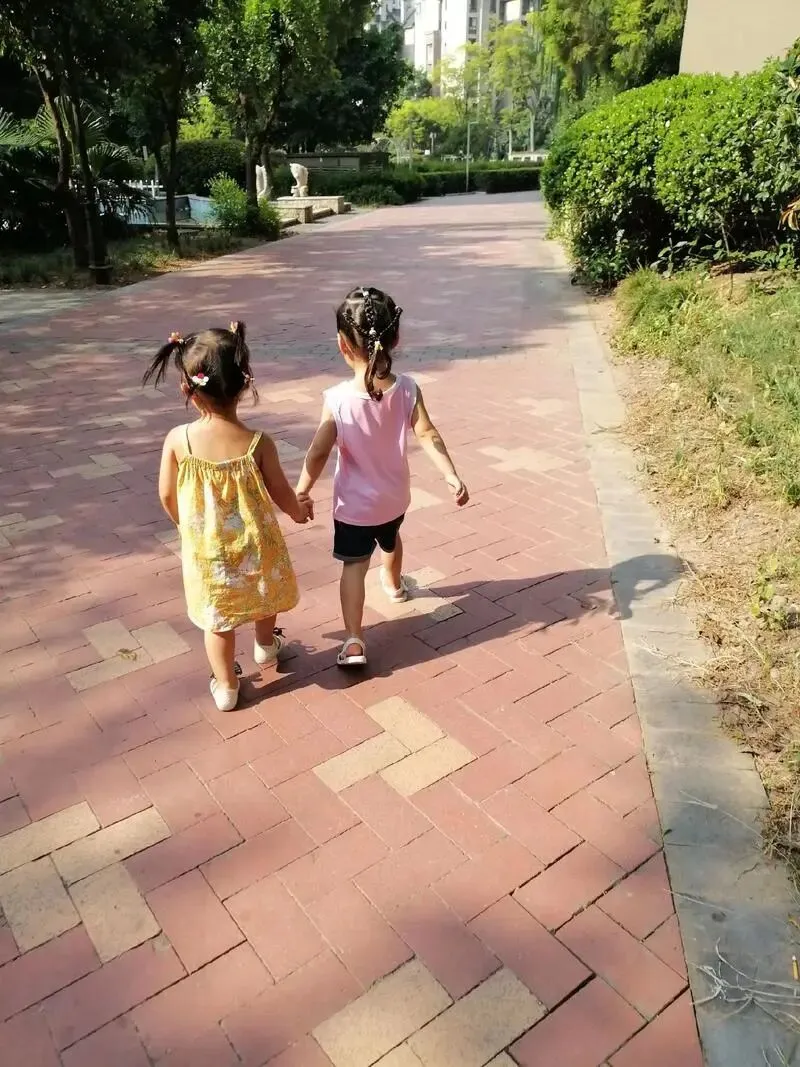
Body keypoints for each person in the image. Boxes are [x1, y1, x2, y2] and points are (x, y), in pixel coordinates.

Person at [296, 286, 469, 668]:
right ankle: (394, 585)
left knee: (354, 566)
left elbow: (318, 451)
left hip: (354, 509)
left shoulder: (337, 399)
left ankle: (354, 641)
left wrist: (301, 491)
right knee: (390, 539)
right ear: (397, 338)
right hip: (394, 499)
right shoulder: (407, 389)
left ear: (342, 345)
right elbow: (428, 433)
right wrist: (450, 474)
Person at [143, 321, 310, 712]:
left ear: (187, 389)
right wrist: (299, 511)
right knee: (264, 593)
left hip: (208, 550)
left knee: (217, 618)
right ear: (245, 383)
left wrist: (185, 526)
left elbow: (166, 493)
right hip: (257, 544)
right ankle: (266, 646)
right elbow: (282, 494)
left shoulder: (178, 440)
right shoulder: (259, 443)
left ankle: (227, 686)